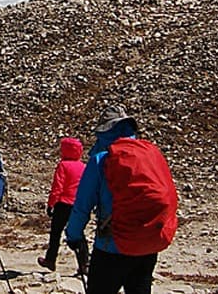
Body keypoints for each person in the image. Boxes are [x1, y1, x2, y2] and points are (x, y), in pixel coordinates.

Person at [66, 106, 176, 294]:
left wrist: (74, 236)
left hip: (111, 246)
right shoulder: (151, 154)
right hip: (148, 242)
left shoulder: (101, 160)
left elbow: (82, 206)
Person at [38, 136, 85, 272]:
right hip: (77, 204)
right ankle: (84, 263)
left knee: (56, 233)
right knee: (78, 233)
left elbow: (57, 187)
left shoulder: (63, 165)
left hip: (63, 203)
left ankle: (50, 260)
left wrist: (51, 204)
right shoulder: (83, 166)